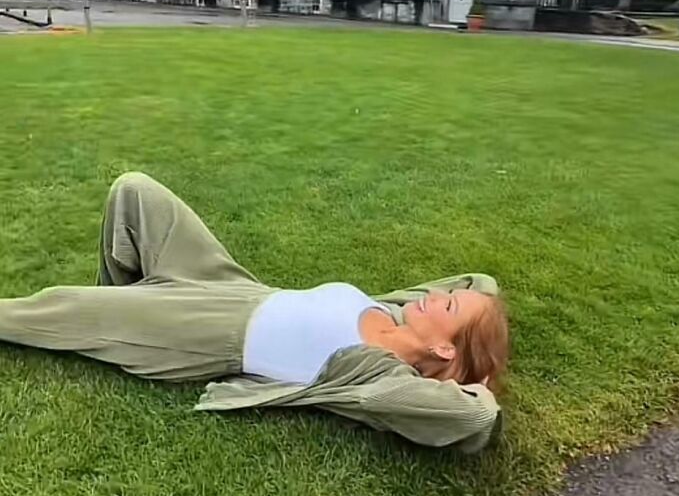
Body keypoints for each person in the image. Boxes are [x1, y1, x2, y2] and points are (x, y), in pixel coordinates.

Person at [0, 172, 509, 453]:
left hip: (208, 333)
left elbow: (475, 416)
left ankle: (118, 316)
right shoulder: (394, 312)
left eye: (448, 305)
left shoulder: (379, 379)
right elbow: (481, 283)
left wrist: (479, 382)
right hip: (231, 285)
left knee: (56, 307)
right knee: (135, 191)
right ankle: (120, 309)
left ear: (443, 348)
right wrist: (474, 324)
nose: (438, 294)